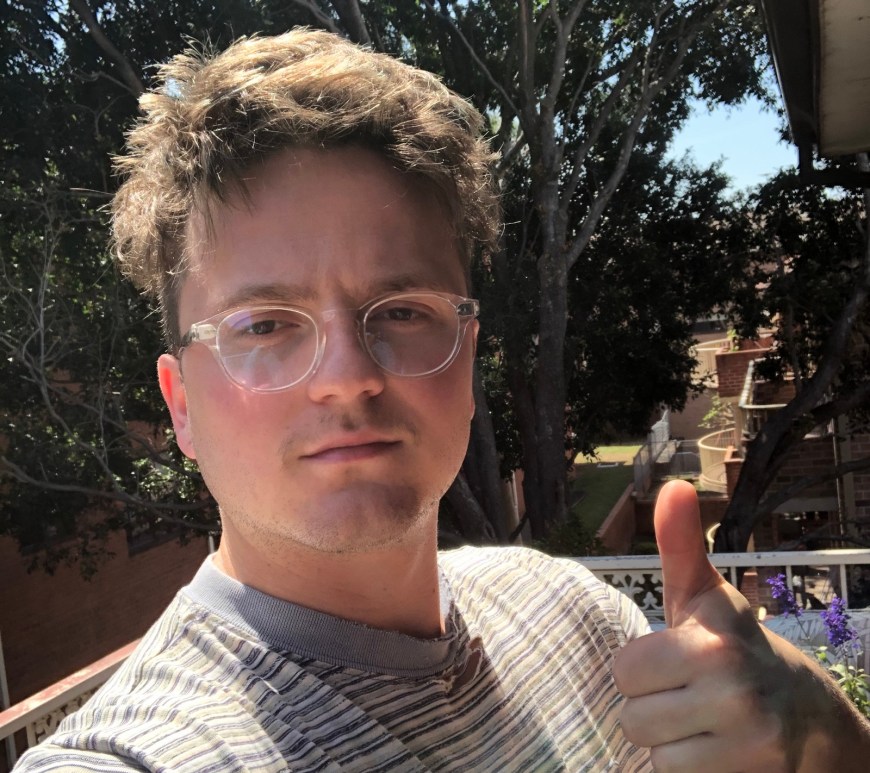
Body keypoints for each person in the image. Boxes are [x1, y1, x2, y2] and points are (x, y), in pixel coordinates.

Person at [14, 28, 870, 773]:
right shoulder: (142, 751)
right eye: (266, 324)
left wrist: (829, 740)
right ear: (182, 407)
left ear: (468, 356)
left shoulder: (573, 618)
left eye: (401, 311)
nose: (346, 372)